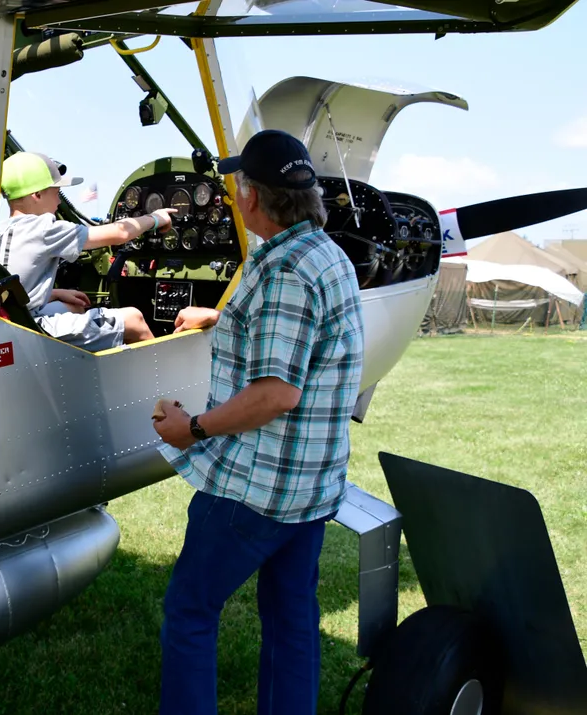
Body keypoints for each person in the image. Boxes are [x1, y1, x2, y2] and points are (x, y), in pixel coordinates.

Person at [152, 129, 365, 715]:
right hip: (312, 485)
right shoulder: (323, 254)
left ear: (250, 196)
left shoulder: (282, 274)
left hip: (258, 487)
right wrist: (221, 318)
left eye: (237, 184)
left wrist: (189, 427)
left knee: (191, 612)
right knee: (292, 617)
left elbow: (276, 393)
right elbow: (303, 342)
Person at [0, 151, 175, 351]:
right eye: (56, 193)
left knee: (76, 308)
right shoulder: (44, 228)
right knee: (135, 320)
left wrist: (55, 293)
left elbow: (11, 285)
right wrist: (157, 218)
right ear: (36, 195)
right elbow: (120, 233)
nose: (58, 202)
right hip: (30, 327)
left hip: (9, 321)